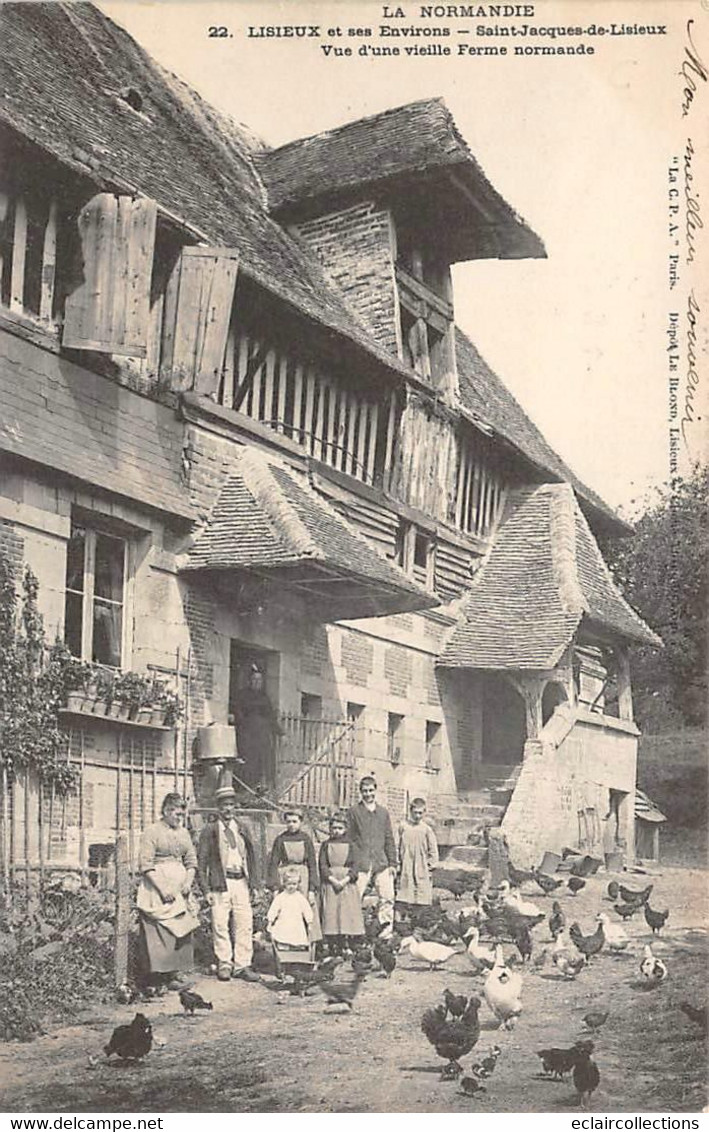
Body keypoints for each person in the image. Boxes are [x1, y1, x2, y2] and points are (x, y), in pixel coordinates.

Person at [197, 785, 261, 982]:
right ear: (218, 808)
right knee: (220, 923)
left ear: (236, 807)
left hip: (241, 881)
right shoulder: (210, 830)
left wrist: (255, 885)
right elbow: (201, 862)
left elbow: (252, 857)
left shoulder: (242, 827)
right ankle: (225, 962)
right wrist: (205, 888)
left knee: (244, 923)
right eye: (224, 806)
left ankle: (243, 964)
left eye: (231, 805)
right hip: (220, 884)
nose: (228, 809)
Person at [136, 792, 197, 991]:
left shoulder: (184, 833)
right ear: (165, 811)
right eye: (177, 814)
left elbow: (191, 862)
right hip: (158, 887)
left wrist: (188, 882)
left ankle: (176, 973)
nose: (180, 819)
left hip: (180, 889)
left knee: (181, 928)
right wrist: (162, 888)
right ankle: (158, 976)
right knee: (160, 931)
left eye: (182, 815)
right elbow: (145, 864)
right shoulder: (152, 832)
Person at [348, 776, 397, 939]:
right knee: (355, 898)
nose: (368, 794)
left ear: (375, 791)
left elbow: (389, 838)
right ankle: (354, 933)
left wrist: (392, 863)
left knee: (388, 897)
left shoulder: (383, 813)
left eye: (370, 790)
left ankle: (385, 932)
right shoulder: (354, 812)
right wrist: (351, 862)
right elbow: (350, 838)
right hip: (361, 862)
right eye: (364, 791)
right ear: (360, 792)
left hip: (381, 862)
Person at [267, 807, 322, 951]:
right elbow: (273, 863)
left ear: (301, 822)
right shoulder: (280, 839)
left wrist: (311, 889)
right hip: (286, 876)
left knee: (306, 909)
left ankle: (307, 946)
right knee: (287, 909)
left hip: (303, 876)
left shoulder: (306, 839)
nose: (291, 824)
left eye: (295, 821)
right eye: (288, 822)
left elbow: (312, 864)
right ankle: (284, 944)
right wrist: (275, 887)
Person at [319, 810, 364, 955]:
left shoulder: (351, 845)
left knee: (346, 913)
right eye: (334, 828)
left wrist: (345, 880)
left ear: (345, 829)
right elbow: (323, 865)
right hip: (331, 883)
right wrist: (331, 879)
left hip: (346, 884)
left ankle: (347, 944)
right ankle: (332, 945)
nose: (336, 831)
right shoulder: (326, 845)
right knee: (331, 914)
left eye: (340, 828)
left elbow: (356, 865)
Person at [233, 663, 283, 789]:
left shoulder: (264, 697)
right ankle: (245, 789)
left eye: (259, 680)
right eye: (254, 679)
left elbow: (271, 716)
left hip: (262, 736)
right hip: (248, 734)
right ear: (250, 681)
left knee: (263, 761)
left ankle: (261, 788)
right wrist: (243, 724)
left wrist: (281, 733)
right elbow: (238, 711)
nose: (257, 682)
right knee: (248, 761)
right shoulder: (242, 695)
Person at [266, 866, 314, 981]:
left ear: (298, 884)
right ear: (284, 883)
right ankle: (282, 967)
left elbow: (306, 910)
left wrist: (309, 922)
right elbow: (273, 910)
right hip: (284, 924)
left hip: (296, 925)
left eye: (294, 884)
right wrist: (270, 921)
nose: (292, 887)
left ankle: (296, 967)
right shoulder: (280, 897)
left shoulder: (300, 897)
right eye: (289, 884)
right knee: (283, 945)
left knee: (297, 946)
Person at [397, 797, 439, 910]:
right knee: (404, 896)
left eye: (420, 813)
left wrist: (430, 867)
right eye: (415, 813)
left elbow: (433, 851)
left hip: (421, 867)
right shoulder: (403, 827)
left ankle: (419, 921)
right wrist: (397, 864)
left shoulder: (427, 830)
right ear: (410, 811)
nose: (417, 816)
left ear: (424, 813)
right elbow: (397, 846)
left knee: (421, 896)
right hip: (405, 866)